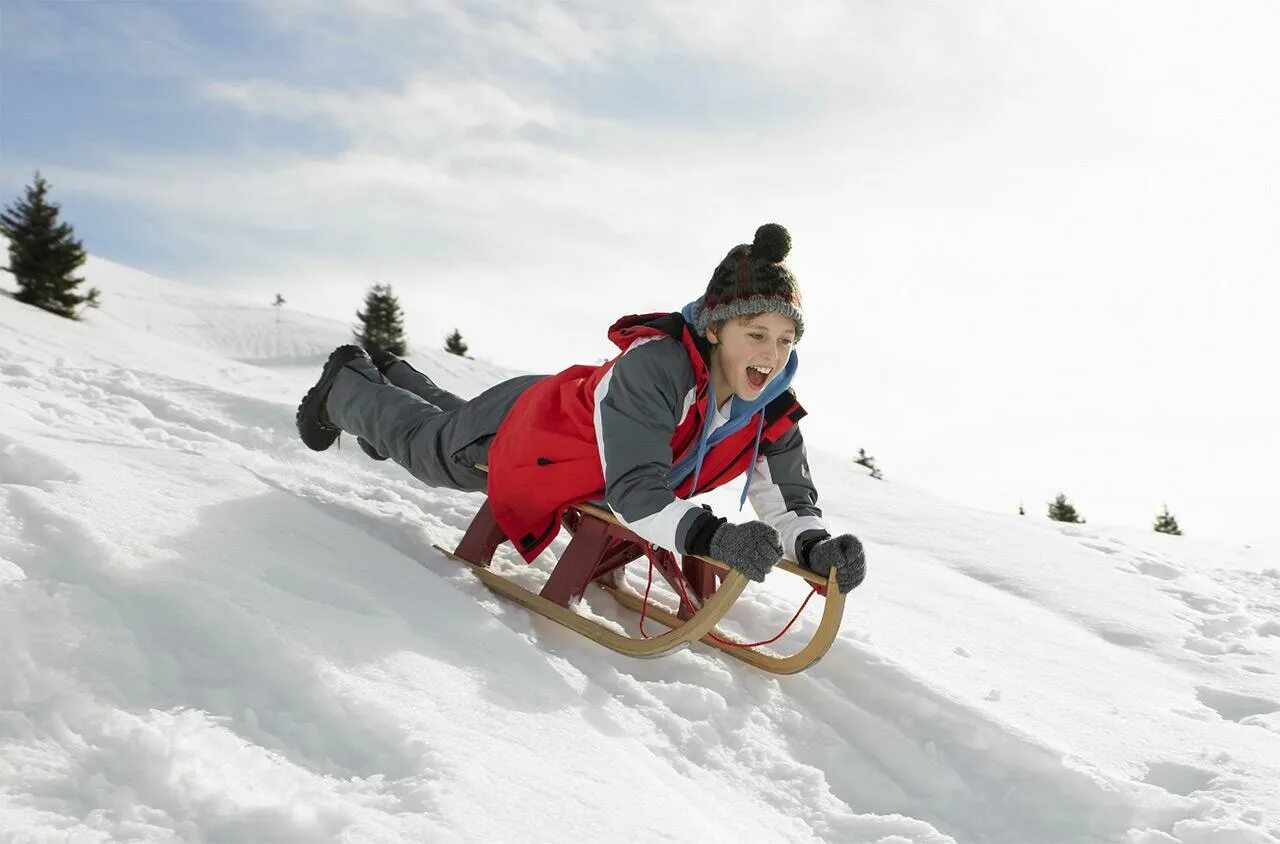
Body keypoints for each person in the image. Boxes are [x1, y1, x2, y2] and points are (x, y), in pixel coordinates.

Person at [296, 224, 866, 592]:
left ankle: (394, 376)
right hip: (531, 432)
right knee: (430, 451)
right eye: (756, 332)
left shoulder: (771, 407)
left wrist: (815, 547)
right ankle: (345, 387)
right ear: (716, 328)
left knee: (443, 428)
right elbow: (637, 493)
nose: (771, 354)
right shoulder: (657, 369)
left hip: (572, 437)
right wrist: (714, 539)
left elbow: (787, 497)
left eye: (786, 339)